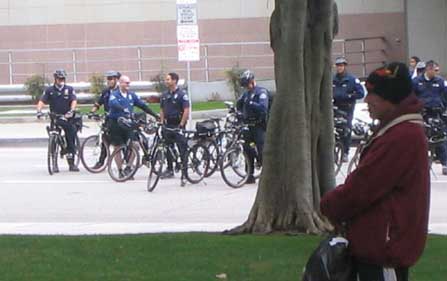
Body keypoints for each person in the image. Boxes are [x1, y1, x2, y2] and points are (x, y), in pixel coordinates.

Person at [321, 62, 430, 281]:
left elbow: (362, 187)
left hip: (384, 251)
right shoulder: (396, 130)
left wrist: (328, 205)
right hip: (376, 248)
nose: (367, 100)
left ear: (390, 98)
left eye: (373, 94)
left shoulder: (402, 136)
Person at [108, 75, 159, 176]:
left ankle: (129, 167)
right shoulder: (115, 94)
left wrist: (154, 114)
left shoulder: (132, 95)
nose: (128, 85)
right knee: (117, 147)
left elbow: (142, 105)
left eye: (129, 83)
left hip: (128, 124)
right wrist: (123, 109)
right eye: (126, 83)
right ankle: (120, 171)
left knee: (135, 145)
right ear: (120, 83)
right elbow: (113, 103)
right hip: (116, 124)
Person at [36, 69, 80, 172]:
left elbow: (74, 100)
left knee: (70, 136)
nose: (61, 80)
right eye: (59, 78)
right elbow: (42, 101)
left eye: (63, 78)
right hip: (55, 117)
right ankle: (54, 163)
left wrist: (72, 110)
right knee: (53, 139)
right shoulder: (49, 90)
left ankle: (71, 163)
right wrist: (39, 110)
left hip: (66, 117)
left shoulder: (69, 89)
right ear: (55, 79)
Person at [412, 60, 447, 175]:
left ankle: (445, 163)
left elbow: (445, 95)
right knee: (420, 139)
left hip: (436, 113)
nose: (437, 72)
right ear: (428, 69)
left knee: (439, 138)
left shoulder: (440, 81)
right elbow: (411, 97)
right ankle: (419, 164)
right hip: (422, 114)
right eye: (435, 70)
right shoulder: (417, 82)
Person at [236, 70, 269, 184]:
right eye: (244, 86)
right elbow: (239, 104)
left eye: (247, 85)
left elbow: (263, 108)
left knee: (261, 149)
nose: (246, 87)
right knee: (247, 149)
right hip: (248, 126)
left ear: (252, 82)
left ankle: (266, 175)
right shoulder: (246, 94)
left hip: (259, 126)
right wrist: (239, 113)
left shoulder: (261, 92)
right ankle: (249, 175)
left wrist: (251, 104)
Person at [332, 57, 365, 162]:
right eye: (338, 66)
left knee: (346, 130)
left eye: (341, 66)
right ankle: (335, 151)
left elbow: (361, 93)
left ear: (345, 66)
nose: (339, 68)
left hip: (347, 108)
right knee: (334, 130)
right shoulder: (332, 79)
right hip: (335, 107)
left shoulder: (352, 79)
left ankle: (345, 152)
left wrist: (350, 96)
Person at [159, 72, 190, 179]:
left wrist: (181, 124)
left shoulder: (182, 94)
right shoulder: (164, 95)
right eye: (166, 79)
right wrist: (162, 122)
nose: (166, 81)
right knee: (168, 148)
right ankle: (169, 169)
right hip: (168, 125)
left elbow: (186, 110)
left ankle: (185, 172)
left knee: (182, 148)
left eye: (168, 79)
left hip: (178, 124)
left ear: (174, 81)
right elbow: (162, 109)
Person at [89, 70, 120, 169]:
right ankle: (101, 162)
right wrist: (92, 111)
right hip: (108, 120)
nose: (109, 81)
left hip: (119, 120)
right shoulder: (106, 92)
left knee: (121, 141)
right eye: (108, 79)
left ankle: (127, 161)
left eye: (111, 79)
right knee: (105, 141)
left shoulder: (120, 91)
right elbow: (98, 103)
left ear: (116, 80)